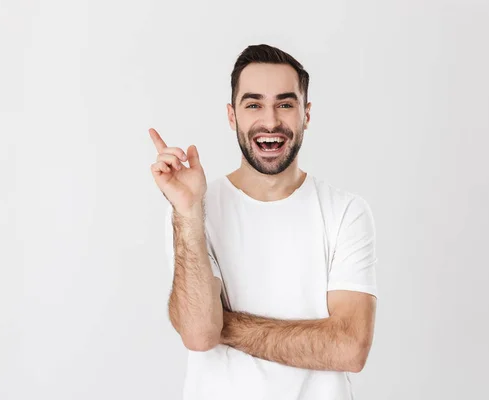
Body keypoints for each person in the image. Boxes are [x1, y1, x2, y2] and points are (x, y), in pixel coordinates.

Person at [149, 44, 378, 400]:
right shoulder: (193, 210)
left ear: (306, 114)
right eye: (253, 104)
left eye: (285, 104)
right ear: (231, 115)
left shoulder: (346, 212)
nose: (270, 122)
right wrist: (188, 212)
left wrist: (223, 323)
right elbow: (197, 334)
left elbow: (349, 348)